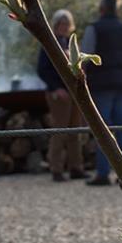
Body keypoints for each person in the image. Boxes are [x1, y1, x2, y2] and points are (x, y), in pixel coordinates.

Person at [81, 0, 122, 186]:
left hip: (101, 84)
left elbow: (83, 58)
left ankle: (103, 171)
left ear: (102, 8)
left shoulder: (94, 29)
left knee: (103, 128)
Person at [37, 10, 88, 182]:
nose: (64, 27)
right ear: (56, 25)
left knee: (75, 130)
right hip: (58, 94)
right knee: (60, 131)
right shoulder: (49, 44)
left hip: (74, 92)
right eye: (61, 24)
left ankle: (76, 167)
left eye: (67, 24)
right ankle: (56, 168)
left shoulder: (70, 43)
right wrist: (56, 88)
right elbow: (43, 70)